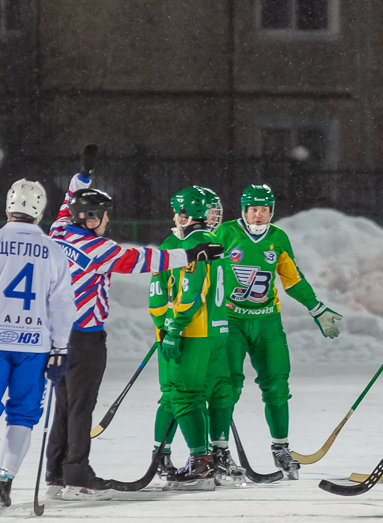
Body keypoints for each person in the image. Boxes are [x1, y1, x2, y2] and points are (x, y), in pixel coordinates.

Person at [46, 172, 221, 500]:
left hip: (56, 337)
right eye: (104, 215)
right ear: (91, 218)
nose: (107, 221)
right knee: (81, 408)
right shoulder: (97, 249)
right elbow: (142, 260)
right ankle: (77, 476)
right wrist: (191, 254)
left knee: (64, 406)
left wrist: (80, 178)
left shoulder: (59, 232)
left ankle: (56, 475)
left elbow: (65, 206)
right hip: (84, 338)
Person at [0, 179, 75, 515]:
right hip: (34, 345)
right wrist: (59, 347)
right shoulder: (53, 250)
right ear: (40, 210)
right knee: (23, 415)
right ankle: (4, 484)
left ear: (8, 206)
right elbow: (64, 305)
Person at [214, 184, 343, 479]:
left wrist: (316, 308)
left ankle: (281, 448)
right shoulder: (225, 234)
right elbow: (206, 275)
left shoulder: (278, 238)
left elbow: (292, 279)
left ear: (272, 212)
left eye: (264, 210)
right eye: (253, 210)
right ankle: (218, 450)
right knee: (227, 386)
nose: (258, 215)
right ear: (243, 210)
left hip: (267, 321)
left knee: (277, 384)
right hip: (231, 320)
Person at [150, 187, 247, 487]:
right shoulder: (214, 243)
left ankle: (200, 462)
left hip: (193, 332)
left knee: (181, 395)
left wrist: (170, 328)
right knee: (215, 392)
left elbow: (188, 292)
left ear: (183, 214)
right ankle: (211, 455)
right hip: (218, 331)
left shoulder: (187, 244)